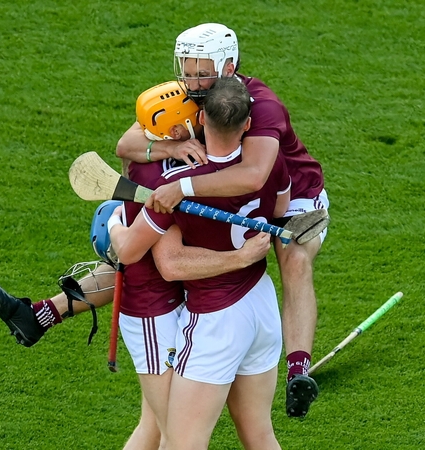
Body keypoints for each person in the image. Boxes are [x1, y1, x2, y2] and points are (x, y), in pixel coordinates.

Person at [0, 81, 271, 450]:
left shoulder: (151, 160)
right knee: (173, 437)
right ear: (179, 128)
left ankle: (41, 315)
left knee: (153, 428)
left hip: (170, 299)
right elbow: (139, 253)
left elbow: (128, 145)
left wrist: (119, 216)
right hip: (153, 310)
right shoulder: (166, 179)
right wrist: (117, 226)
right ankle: (40, 315)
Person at [115, 23, 328, 418]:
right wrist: (172, 147)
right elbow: (126, 144)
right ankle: (50, 310)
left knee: (294, 258)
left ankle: (298, 371)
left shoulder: (260, 107)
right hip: (228, 191)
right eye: (187, 70)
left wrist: (182, 187)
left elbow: (255, 175)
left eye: (201, 72)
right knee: (148, 260)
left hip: (291, 193)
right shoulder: (184, 95)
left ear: (228, 67)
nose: (192, 82)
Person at [109, 77, 287, 450]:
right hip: (262, 305)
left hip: (216, 318)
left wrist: (113, 222)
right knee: (260, 434)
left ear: (202, 118)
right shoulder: (268, 163)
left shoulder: (175, 183)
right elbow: (282, 207)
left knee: (182, 444)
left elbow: (151, 259)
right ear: (248, 124)